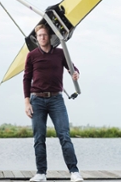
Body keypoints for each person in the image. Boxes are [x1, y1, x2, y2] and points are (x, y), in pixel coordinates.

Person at [23, 24, 83, 182]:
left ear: (49, 36)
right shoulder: (32, 55)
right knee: (39, 138)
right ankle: (41, 173)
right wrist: (27, 102)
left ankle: (74, 172)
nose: (42, 38)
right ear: (37, 38)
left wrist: (75, 74)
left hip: (56, 99)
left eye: (44, 35)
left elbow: (73, 68)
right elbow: (26, 79)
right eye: (39, 36)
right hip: (37, 100)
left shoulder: (60, 53)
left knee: (64, 135)